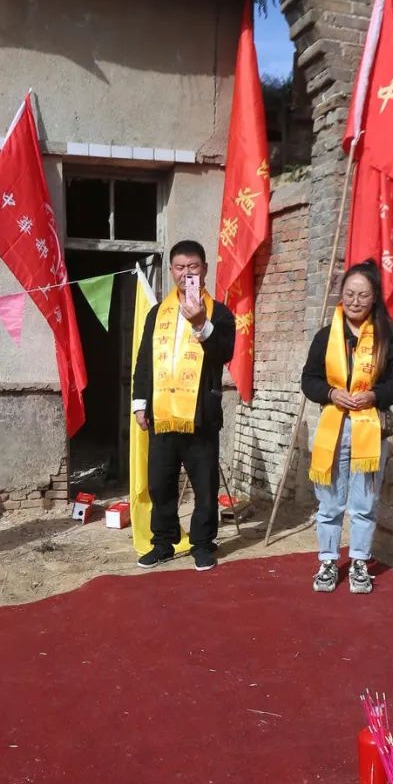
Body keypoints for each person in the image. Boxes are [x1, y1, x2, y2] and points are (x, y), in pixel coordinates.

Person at [301, 259, 393, 595]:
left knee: (363, 503)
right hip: (334, 430)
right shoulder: (325, 336)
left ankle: (360, 562)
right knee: (330, 503)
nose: (355, 301)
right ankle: (329, 562)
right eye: (349, 293)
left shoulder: (386, 337)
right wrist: (331, 392)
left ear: (374, 297)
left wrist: (374, 395)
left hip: (368, 429)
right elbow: (309, 380)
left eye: (363, 295)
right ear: (341, 295)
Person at [131, 240, 235, 571]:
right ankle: (163, 542)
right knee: (160, 484)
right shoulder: (156, 314)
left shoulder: (219, 312)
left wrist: (202, 325)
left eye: (193, 266)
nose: (186, 273)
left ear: (204, 269)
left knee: (204, 486)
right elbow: (144, 362)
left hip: (200, 416)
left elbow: (223, 355)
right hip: (161, 414)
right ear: (172, 271)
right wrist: (139, 403)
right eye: (179, 267)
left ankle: (202, 544)